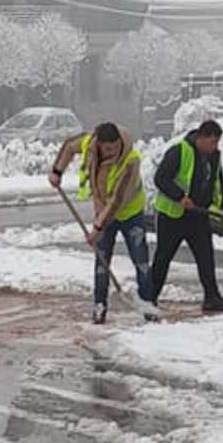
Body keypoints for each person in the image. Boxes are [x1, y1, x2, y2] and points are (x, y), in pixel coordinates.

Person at [49, 121, 153, 322]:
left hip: (130, 213)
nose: (111, 152)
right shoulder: (90, 144)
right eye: (107, 149)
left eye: (114, 148)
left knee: (141, 261)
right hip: (102, 211)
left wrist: (97, 228)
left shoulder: (131, 161)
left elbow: (117, 201)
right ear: (99, 144)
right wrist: (57, 171)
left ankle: (149, 306)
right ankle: (99, 306)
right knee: (101, 261)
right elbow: (70, 146)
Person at [147, 118, 223, 314]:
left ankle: (212, 297)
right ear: (202, 138)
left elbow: (219, 184)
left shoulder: (213, 157)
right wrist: (179, 197)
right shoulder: (179, 151)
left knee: (206, 256)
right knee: (163, 258)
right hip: (173, 216)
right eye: (213, 142)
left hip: (198, 216)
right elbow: (160, 178)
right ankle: (150, 298)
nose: (215, 147)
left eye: (217, 143)